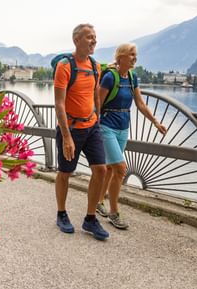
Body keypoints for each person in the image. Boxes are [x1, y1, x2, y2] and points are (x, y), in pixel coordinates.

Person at [96, 43, 167, 229]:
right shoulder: (110, 77)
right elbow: (98, 103)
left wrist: (156, 122)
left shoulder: (133, 78)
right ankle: (114, 212)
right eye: (131, 55)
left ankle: (97, 202)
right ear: (120, 57)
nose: (135, 58)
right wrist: (94, 127)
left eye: (136, 55)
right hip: (106, 126)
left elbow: (141, 104)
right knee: (120, 168)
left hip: (123, 127)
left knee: (111, 169)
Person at [54, 23, 109, 241]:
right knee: (66, 172)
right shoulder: (65, 66)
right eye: (89, 37)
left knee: (101, 170)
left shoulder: (96, 66)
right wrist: (66, 136)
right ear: (76, 40)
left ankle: (90, 218)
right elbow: (59, 103)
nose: (94, 41)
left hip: (92, 126)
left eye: (95, 37)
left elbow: (95, 95)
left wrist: (98, 117)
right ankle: (61, 213)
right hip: (71, 128)